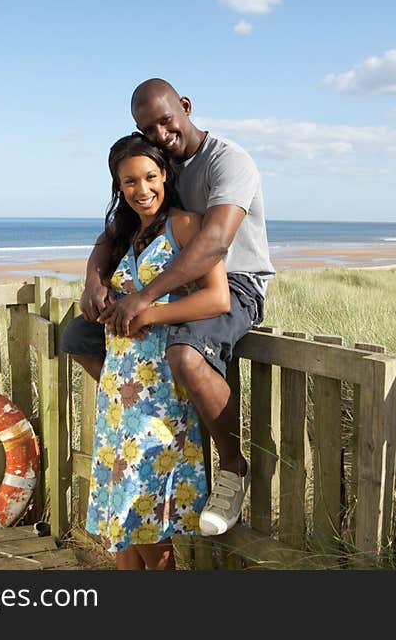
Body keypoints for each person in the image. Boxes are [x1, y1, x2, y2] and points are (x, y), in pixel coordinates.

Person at [63, 78, 275, 537]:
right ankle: (153, 409)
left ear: (186, 106)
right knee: (77, 334)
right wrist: (93, 282)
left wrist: (146, 298)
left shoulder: (227, 161)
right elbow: (113, 230)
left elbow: (214, 243)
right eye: (148, 127)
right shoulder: (162, 166)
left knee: (185, 355)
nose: (160, 133)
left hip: (235, 282)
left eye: (166, 120)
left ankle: (233, 469)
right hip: (173, 280)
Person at [84, 133, 230, 570]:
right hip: (117, 388)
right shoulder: (125, 231)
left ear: (165, 175)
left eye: (150, 177)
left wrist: (148, 314)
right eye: (129, 182)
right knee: (121, 524)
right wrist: (93, 285)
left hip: (160, 391)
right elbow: (97, 263)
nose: (141, 189)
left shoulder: (183, 225)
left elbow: (217, 298)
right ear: (118, 185)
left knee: (147, 514)